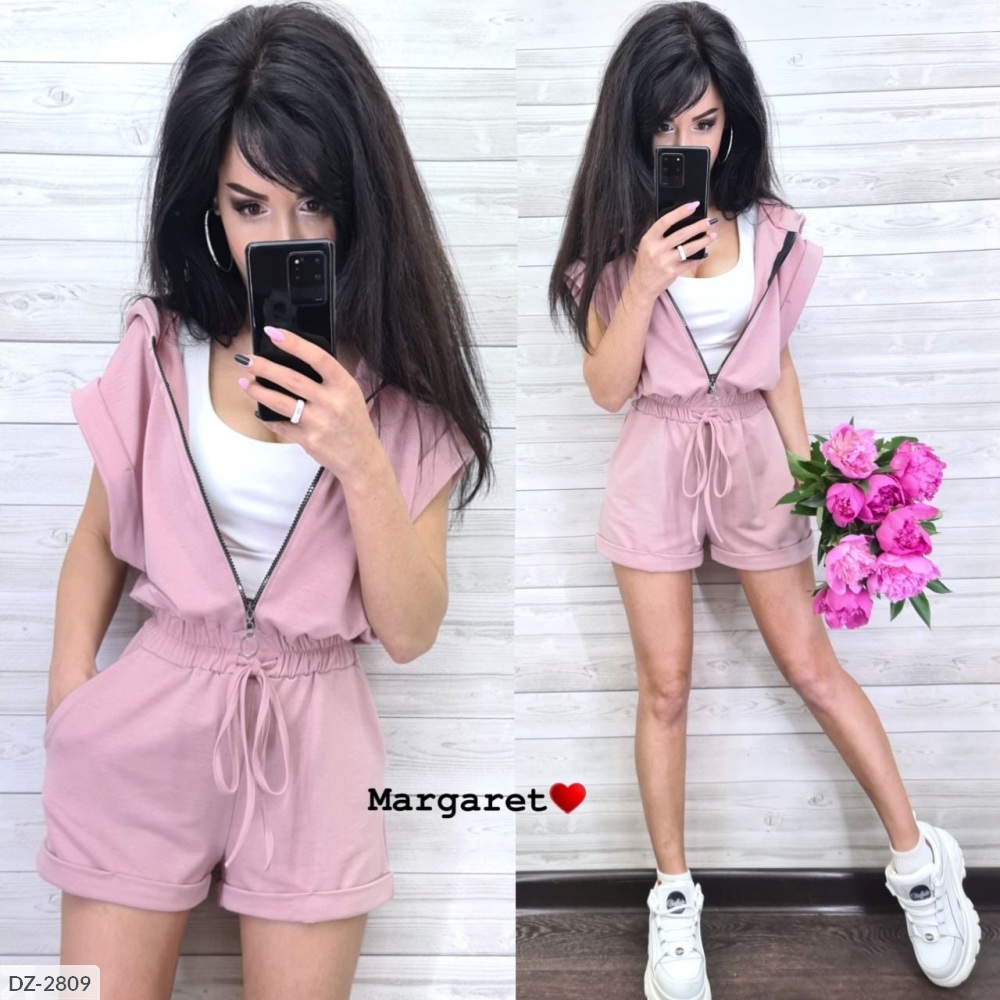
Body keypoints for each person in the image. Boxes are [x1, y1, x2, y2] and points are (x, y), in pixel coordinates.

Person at [36, 3, 492, 998]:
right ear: (209, 205)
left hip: (316, 742)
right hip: (144, 731)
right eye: (249, 206)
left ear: (359, 200)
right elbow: (98, 537)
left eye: (312, 203)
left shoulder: (404, 398)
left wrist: (359, 458)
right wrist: (72, 698)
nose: (282, 237)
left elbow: (411, 629)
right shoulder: (159, 352)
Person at [549, 4, 980, 998]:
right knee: (665, 687)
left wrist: (819, 488)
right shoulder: (613, 246)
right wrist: (645, 279)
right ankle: (672, 901)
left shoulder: (767, 230)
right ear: (633, 128)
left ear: (731, 120)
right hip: (655, 454)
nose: (688, 144)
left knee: (811, 665)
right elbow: (607, 389)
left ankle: (919, 862)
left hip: (750, 452)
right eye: (667, 126)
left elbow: (775, 364)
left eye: (705, 123)